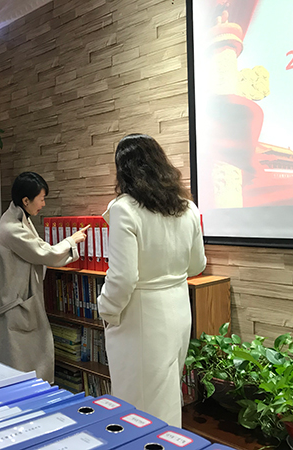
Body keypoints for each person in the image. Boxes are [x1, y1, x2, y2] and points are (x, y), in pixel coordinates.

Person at [97, 134, 207, 427]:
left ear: (124, 170)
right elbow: (197, 264)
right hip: (179, 308)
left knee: (139, 406)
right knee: (166, 396)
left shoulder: (124, 209)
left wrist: (106, 309)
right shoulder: (187, 208)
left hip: (141, 314)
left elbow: (122, 277)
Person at [0, 172, 89, 383]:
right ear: (26, 200)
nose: (43, 204)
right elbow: (43, 253)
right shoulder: (12, 228)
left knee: (25, 366)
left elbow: (39, 249)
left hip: (20, 301)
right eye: (41, 199)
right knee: (17, 369)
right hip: (13, 306)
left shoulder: (19, 217)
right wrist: (71, 241)